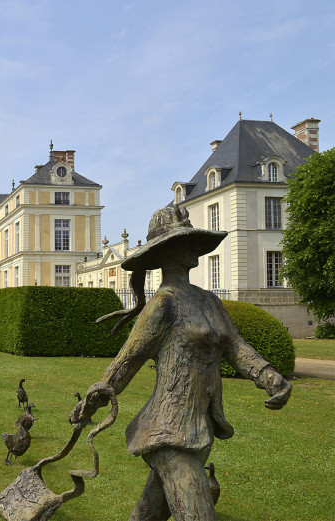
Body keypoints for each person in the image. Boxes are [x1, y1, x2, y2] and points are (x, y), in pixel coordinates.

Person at [70, 205, 292, 521]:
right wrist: (89, 406)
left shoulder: (208, 300)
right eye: (184, 240)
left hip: (201, 426)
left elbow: (236, 347)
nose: (192, 246)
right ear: (166, 252)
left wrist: (270, 376)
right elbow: (125, 363)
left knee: (148, 513)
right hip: (169, 432)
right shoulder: (163, 305)